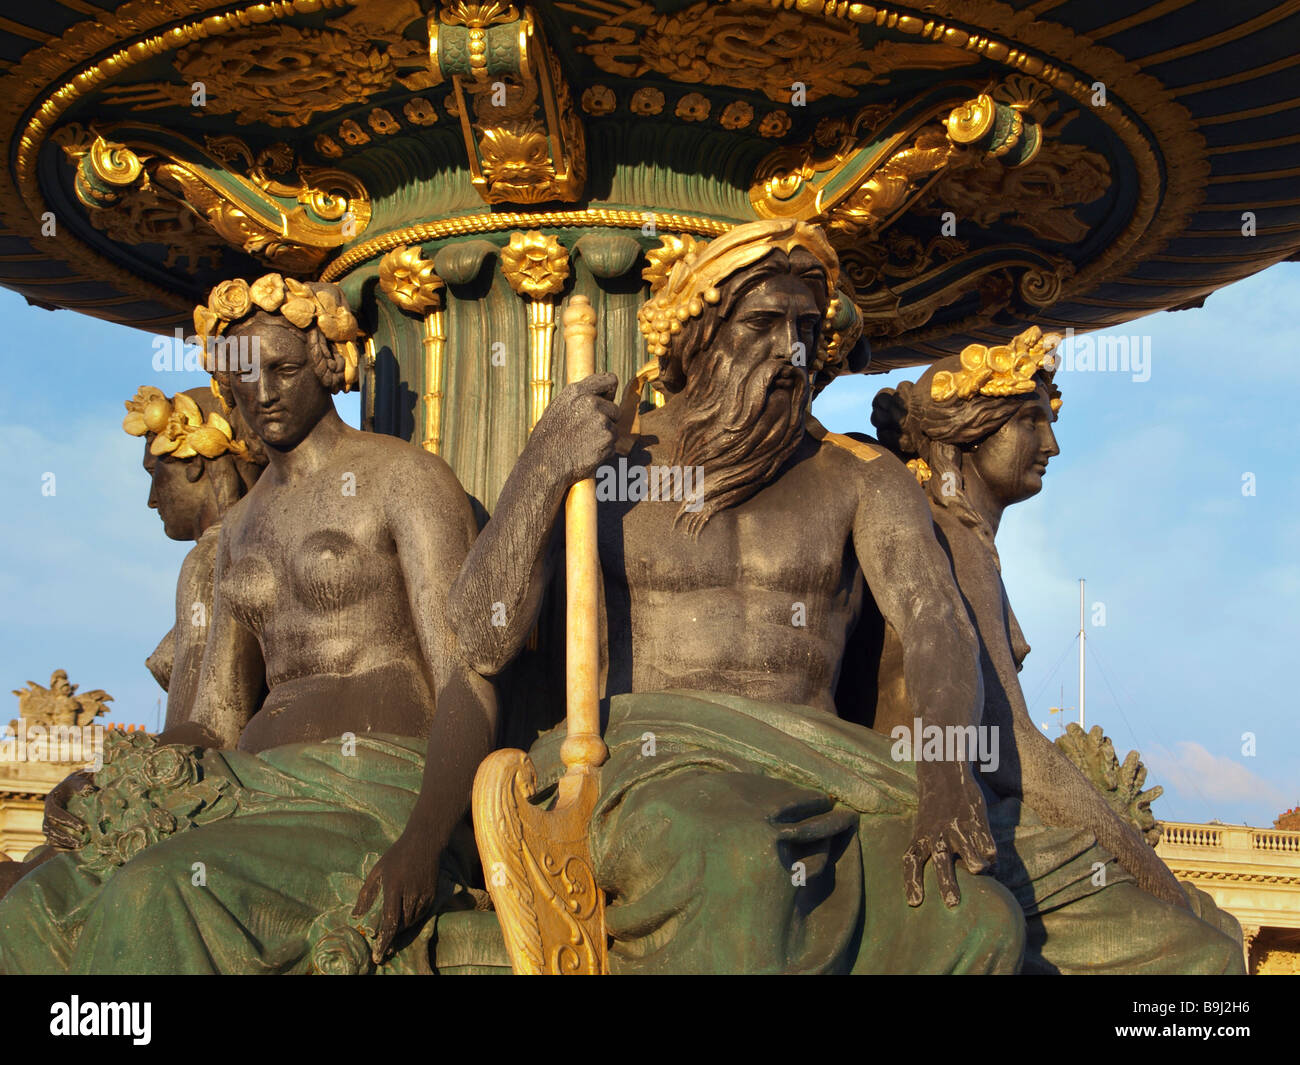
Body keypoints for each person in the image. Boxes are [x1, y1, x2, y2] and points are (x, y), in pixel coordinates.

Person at [451, 219, 1028, 973]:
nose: (790, 348)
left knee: (977, 919)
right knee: (739, 857)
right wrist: (541, 465)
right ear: (697, 337)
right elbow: (481, 637)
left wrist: (947, 774)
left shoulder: (860, 477)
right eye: (762, 323)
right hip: (654, 765)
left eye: (806, 328)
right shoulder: (608, 465)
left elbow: (936, 624)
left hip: (827, 768)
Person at [0, 274, 503, 974]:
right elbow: (211, 722)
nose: (262, 392)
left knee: (157, 889)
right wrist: (108, 780)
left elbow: (467, 681)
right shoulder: (237, 532)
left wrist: (423, 839)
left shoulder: (404, 480)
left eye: (284, 369)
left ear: (328, 363)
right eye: (242, 377)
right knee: (31, 909)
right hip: (247, 789)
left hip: (371, 790)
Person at [867, 340, 1244, 972]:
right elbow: (1016, 748)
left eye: (1050, 421)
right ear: (967, 431)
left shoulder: (956, 531)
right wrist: (1157, 878)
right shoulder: (948, 536)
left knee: (1215, 924)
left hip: (953, 791)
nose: (1051, 445)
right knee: (1202, 953)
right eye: (1030, 421)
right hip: (942, 802)